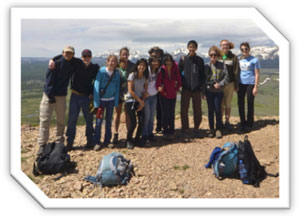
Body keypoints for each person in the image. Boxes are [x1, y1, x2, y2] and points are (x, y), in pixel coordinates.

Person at [36, 46, 77, 157]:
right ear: (63, 53)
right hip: (49, 95)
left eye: (71, 53)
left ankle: (60, 142)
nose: (68, 55)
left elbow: (81, 60)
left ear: (73, 54)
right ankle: (42, 145)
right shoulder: (55, 64)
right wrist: (50, 96)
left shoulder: (73, 63)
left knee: (61, 121)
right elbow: (48, 81)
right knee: (45, 121)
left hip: (61, 96)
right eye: (66, 53)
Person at [179, 40, 205, 138]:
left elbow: (202, 75)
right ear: (187, 48)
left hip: (197, 89)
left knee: (197, 110)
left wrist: (202, 88)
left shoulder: (200, 60)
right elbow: (178, 73)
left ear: (196, 48)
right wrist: (181, 84)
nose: (192, 49)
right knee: (184, 110)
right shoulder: (183, 59)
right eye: (190, 47)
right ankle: (185, 129)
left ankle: (196, 128)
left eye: (193, 47)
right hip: (186, 89)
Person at [93, 55, 120, 151]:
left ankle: (107, 141)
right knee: (99, 122)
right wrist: (96, 103)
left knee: (109, 121)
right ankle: (97, 142)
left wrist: (116, 102)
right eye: (111, 61)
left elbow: (117, 88)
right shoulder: (101, 71)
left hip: (111, 101)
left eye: (114, 61)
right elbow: (96, 85)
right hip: (101, 101)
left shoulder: (116, 73)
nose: (112, 63)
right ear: (107, 62)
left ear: (116, 63)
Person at [112, 47, 135, 146]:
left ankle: (128, 137)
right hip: (118, 93)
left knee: (128, 115)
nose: (125, 56)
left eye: (126, 54)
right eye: (123, 54)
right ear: (120, 55)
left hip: (128, 94)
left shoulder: (132, 66)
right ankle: (115, 134)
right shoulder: (116, 66)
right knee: (117, 113)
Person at [204, 46, 229, 139]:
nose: (213, 56)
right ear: (209, 55)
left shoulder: (222, 65)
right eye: (211, 55)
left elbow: (227, 78)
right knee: (210, 110)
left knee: (218, 110)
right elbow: (204, 79)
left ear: (217, 56)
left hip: (219, 92)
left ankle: (218, 129)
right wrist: (207, 88)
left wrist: (220, 84)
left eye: (214, 55)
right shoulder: (206, 66)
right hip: (209, 92)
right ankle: (211, 129)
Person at [156, 54, 182, 140]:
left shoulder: (175, 69)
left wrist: (176, 89)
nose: (168, 62)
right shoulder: (162, 70)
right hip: (164, 95)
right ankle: (165, 130)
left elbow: (179, 80)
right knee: (165, 113)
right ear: (164, 61)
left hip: (173, 94)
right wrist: (163, 91)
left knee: (171, 113)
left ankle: (171, 130)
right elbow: (158, 84)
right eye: (167, 61)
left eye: (170, 61)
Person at [125, 58, 149, 149]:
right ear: (137, 66)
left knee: (142, 121)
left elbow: (145, 91)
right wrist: (140, 101)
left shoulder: (145, 77)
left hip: (140, 100)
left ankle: (137, 139)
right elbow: (130, 91)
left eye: (143, 65)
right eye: (140, 65)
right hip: (130, 101)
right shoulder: (132, 75)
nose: (141, 67)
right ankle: (129, 140)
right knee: (133, 122)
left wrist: (142, 102)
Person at [238, 42, 261, 133]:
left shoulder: (254, 60)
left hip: (250, 83)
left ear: (249, 49)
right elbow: (225, 58)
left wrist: (256, 86)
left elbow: (257, 73)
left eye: (246, 49)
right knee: (240, 103)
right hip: (240, 83)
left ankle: (249, 123)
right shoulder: (238, 59)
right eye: (242, 49)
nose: (244, 51)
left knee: (250, 103)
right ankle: (242, 122)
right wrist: (222, 55)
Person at [219, 39, 240, 131]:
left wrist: (236, 84)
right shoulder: (218, 56)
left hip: (230, 84)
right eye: (223, 45)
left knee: (227, 104)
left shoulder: (233, 57)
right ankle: (220, 122)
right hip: (219, 84)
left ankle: (227, 121)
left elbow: (236, 71)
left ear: (229, 46)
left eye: (226, 45)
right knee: (220, 104)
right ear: (221, 46)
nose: (225, 46)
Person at [141, 57, 160, 144]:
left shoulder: (157, 71)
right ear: (150, 62)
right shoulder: (147, 71)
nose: (155, 63)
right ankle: (144, 135)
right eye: (154, 62)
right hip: (147, 97)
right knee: (147, 117)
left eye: (157, 62)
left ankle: (150, 133)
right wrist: (144, 93)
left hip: (154, 95)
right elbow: (143, 83)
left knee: (152, 116)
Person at [148, 46, 164, 134]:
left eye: (157, 54)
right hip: (150, 91)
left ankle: (159, 126)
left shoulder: (161, 65)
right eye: (154, 54)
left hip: (159, 90)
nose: (156, 55)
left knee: (159, 109)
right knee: (149, 111)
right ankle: (147, 129)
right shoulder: (148, 65)